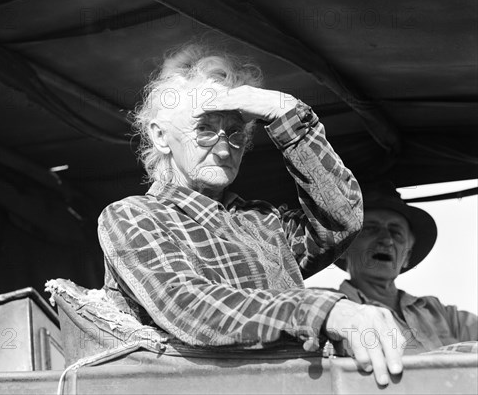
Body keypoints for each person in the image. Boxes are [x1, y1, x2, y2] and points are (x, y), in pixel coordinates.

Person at [97, 43, 405, 385]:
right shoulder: (133, 215)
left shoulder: (261, 220)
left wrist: (287, 113)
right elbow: (191, 307)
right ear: (159, 136)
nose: (225, 147)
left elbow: (340, 222)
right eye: (205, 129)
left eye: (235, 132)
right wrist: (325, 310)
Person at [336, 180, 478, 353]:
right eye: (371, 229)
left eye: (396, 232)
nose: (386, 240)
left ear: (407, 256)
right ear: (343, 247)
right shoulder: (334, 309)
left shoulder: (439, 312)